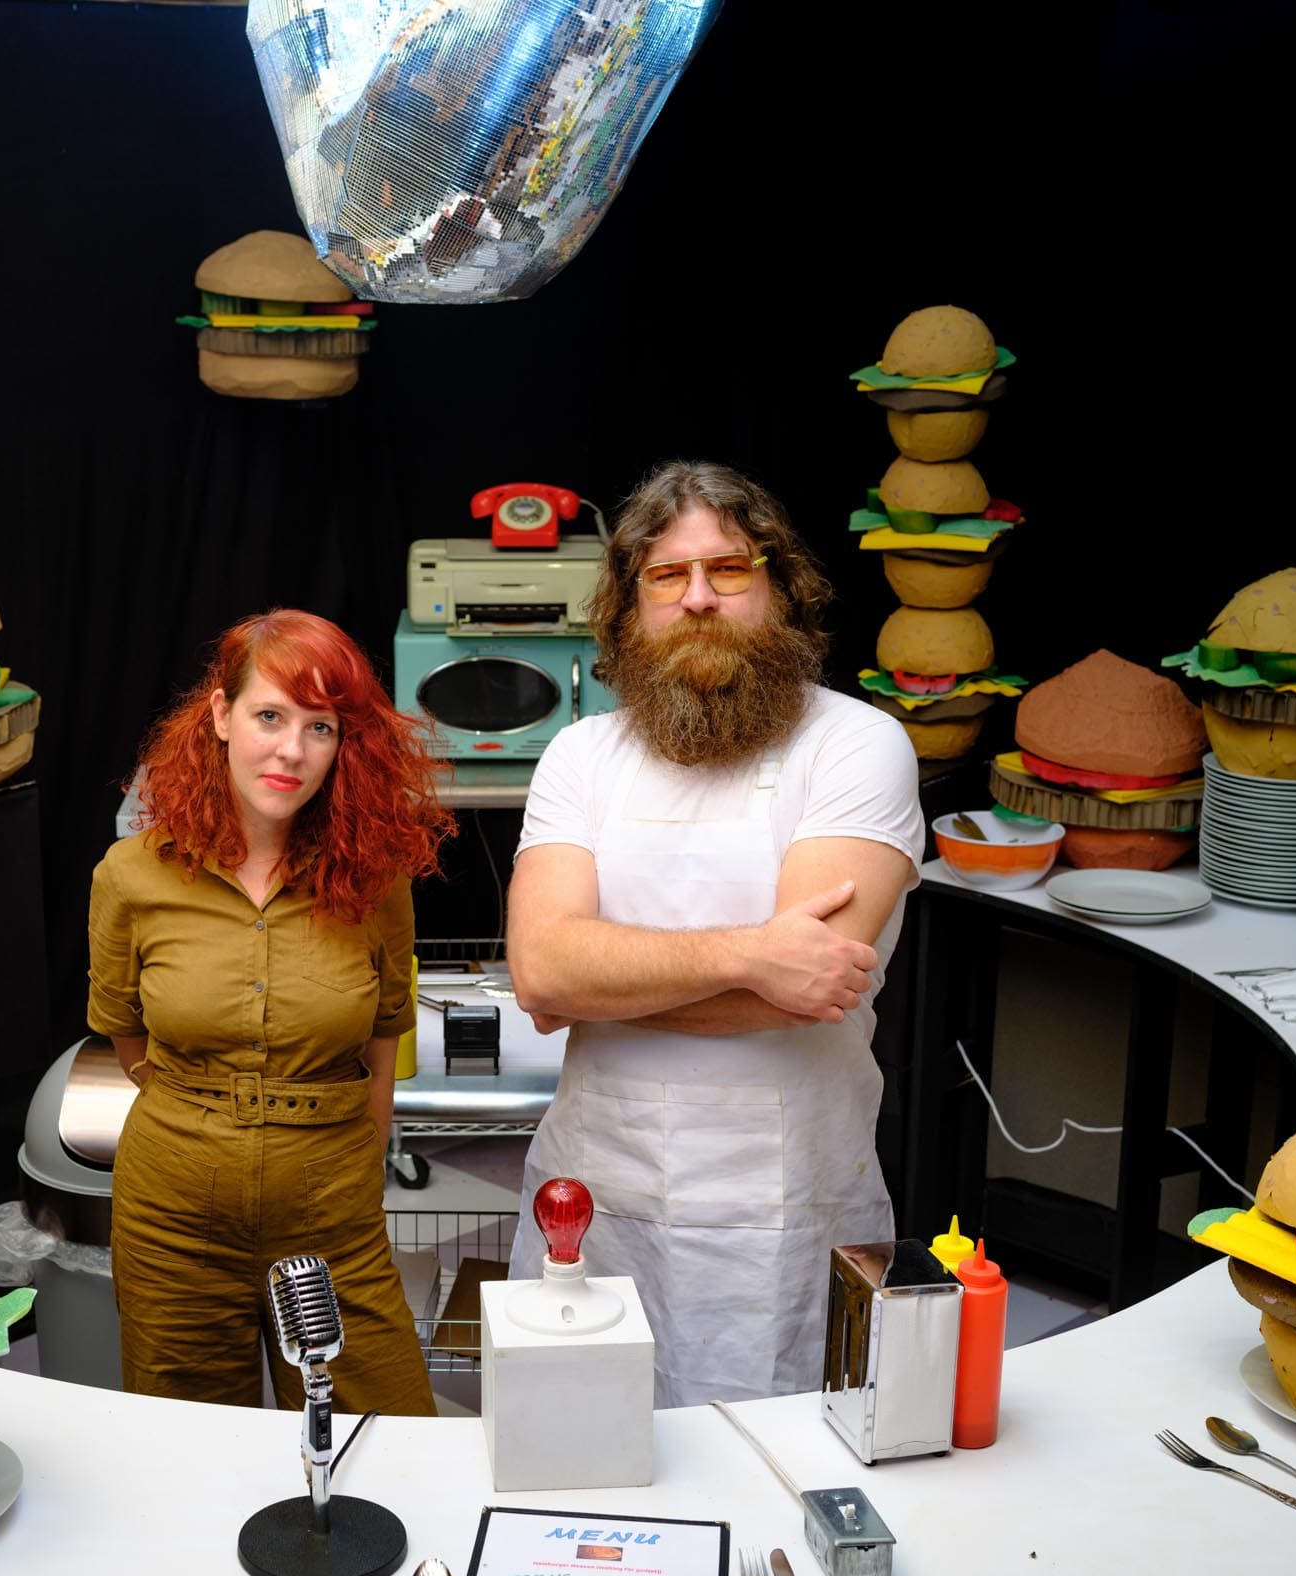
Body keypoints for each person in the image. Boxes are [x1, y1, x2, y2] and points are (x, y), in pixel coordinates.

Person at [508, 462, 924, 1406]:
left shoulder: (857, 747)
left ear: (780, 588)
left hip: (786, 1205)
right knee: (584, 1456)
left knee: (778, 1474)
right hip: (594, 1199)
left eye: (730, 570)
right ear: (630, 606)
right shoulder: (581, 755)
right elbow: (539, 971)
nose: (699, 597)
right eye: (667, 576)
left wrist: (605, 975)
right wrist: (750, 954)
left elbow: (814, 986)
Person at [88, 609, 453, 1414]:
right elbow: (125, 1035)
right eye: (269, 716)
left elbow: (387, 1032)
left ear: (342, 742)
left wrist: (357, 1165)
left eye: (319, 726)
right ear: (220, 716)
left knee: (388, 1443)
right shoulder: (130, 876)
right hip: (172, 1214)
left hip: (331, 1207)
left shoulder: (374, 880)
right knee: (190, 1458)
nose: (291, 749)